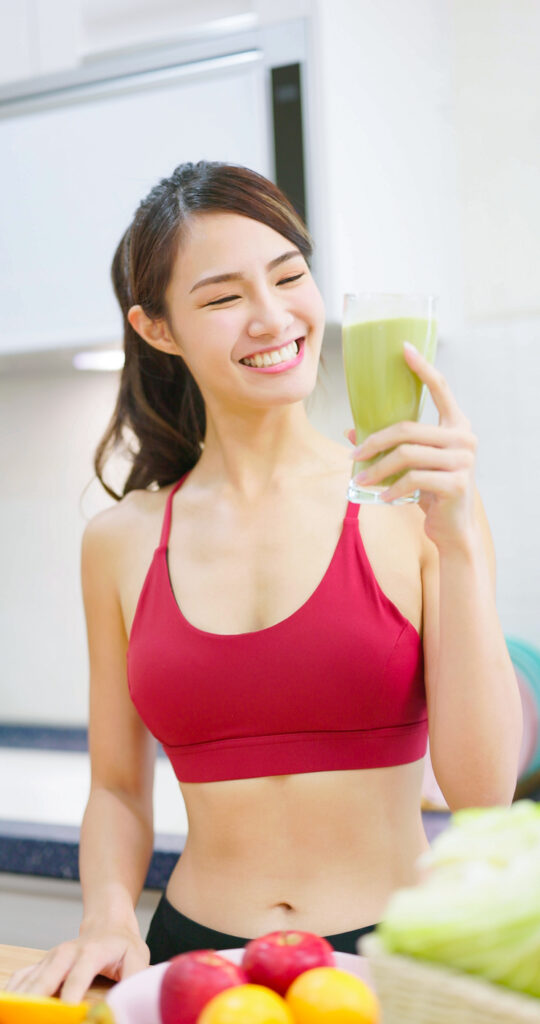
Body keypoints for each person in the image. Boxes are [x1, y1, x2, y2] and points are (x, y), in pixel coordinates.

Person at [9, 160, 522, 1001]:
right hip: (193, 961)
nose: (274, 316)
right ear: (156, 328)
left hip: (393, 963)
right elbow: (115, 787)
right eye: (222, 298)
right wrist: (107, 913)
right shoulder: (120, 541)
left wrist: (459, 541)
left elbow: (483, 789)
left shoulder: (416, 507)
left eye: (290, 276)